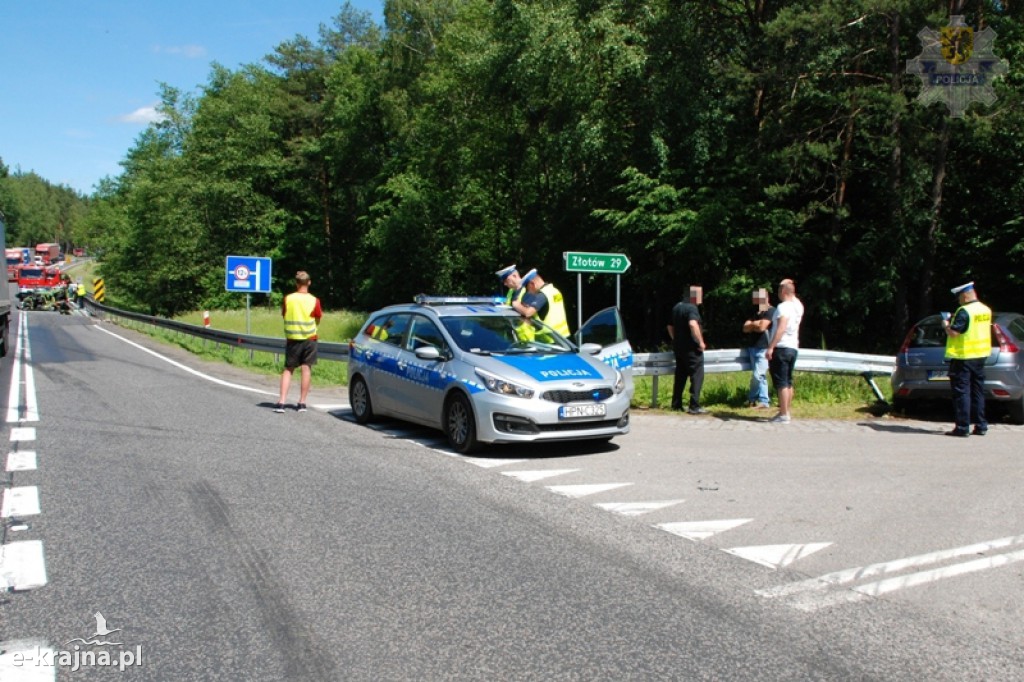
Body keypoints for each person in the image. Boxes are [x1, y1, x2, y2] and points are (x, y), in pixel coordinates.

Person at [942, 281, 992, 437]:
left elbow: (954, 333)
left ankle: (963, 427)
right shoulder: (985, 309)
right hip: (981, 355)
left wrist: (945, 324)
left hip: (963, 357)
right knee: (978, 391)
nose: (958, 301)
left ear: (964, 296)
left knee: (962, 392)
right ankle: (981, 425)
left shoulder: (964, 311)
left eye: (959, 298)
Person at [274, 271, 322, 413]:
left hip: (293, 339)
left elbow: (284, 315)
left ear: (296, 284)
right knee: (306, 369)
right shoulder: (314, 300)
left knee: (288, 369)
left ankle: (282, 402)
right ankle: (302, 403)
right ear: (309, 282)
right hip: (309, 338)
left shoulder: (288, 299)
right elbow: (318, 317)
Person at [765, 278, 804, 423]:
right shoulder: (798, 306)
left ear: (782, 291)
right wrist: (789, 284)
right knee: (788, 381)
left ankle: (783, 414)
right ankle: (786, 411)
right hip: (793, 347)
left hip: (781, 347)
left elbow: (781, 327)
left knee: (781, 382)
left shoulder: (783, 307)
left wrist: (771, 347)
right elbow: (792, 293)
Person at [667, 285, 707, 414]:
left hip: (678, 347)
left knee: (680, 375)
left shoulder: (677, 307)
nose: (701, 297)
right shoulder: (692, 308)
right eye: (699, 295)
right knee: (697, 375)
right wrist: (700, 342)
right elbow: (692, 324)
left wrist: (675, 339)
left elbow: (669, 326)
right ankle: (694, 406)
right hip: (691, 348)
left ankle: (676, 403)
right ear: (693, 296)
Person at [742, 288, 775, 409]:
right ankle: (763, 400)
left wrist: (754, 325)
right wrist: (756, 324)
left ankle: (751, 398)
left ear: (766, 298)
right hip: (753, 347)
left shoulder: (771, 311)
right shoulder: (756, 312)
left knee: (758, 375)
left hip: (764, 347)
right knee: (761, 376)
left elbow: (762, 327)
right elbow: (745, 328)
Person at [512, 269, 570, 337]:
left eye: (528, 288)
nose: (529, 292)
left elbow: (528, 313)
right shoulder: (554, 290)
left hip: (550, 339)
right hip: (563, 337)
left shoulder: (542, 295)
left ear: (532, 284)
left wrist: (516, 304)